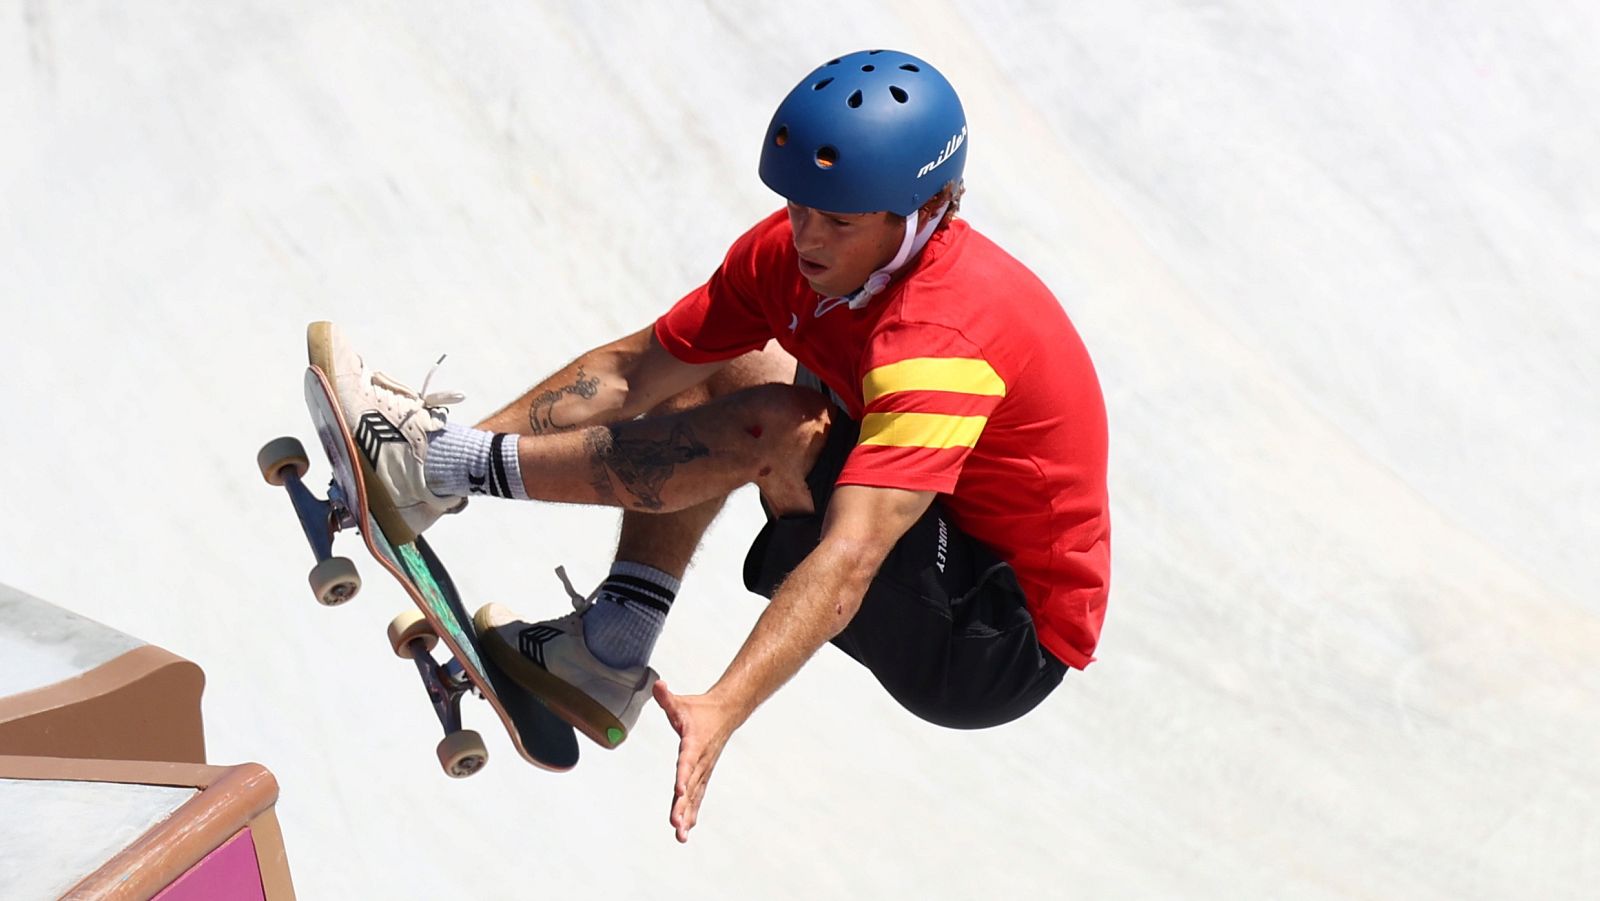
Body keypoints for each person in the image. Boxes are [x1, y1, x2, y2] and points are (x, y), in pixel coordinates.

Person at [311, 49, 1109, 843]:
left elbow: (851, 559)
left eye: (840, 219)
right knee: (733, 359)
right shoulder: (789, 257)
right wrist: (452, 457)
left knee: (783, 429)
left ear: (928, 209)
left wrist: (722, 707)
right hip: (939, 543)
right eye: (800, 204)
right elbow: (632, 371)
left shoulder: (943, 343)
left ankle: (437, 468)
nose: (808, 236)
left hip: (995, 638)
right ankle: (597, 636)